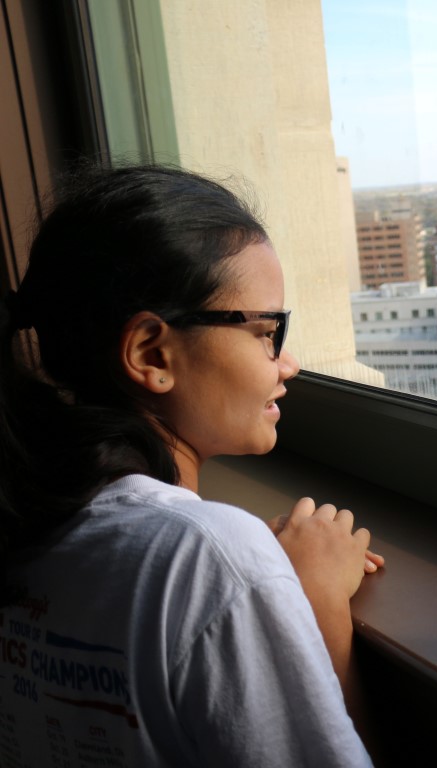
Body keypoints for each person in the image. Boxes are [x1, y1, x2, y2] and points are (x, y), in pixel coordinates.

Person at [0, 165, 381, 766]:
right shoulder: (209, 557)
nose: (288, 363)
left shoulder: (29, 515)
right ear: (152, 353)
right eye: (267, 331)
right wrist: (316, 608)